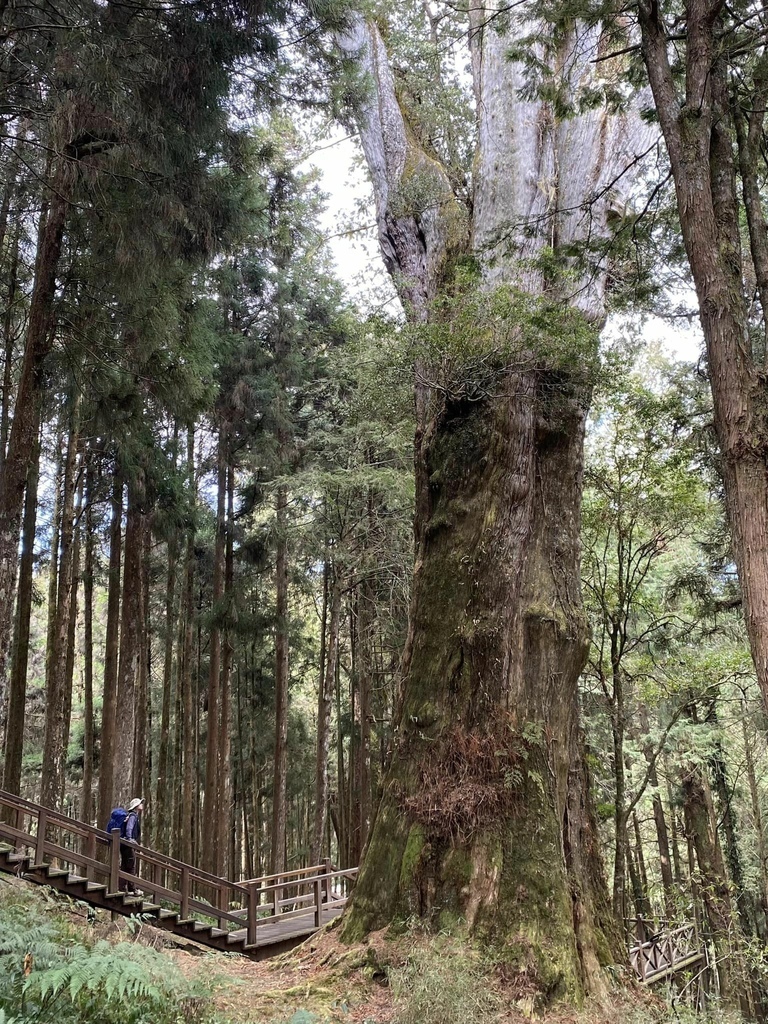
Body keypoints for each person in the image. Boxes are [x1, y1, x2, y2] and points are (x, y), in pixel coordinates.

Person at [120, 797, 144, 895]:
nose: (142, 805)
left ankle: (122, 888)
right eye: (140, 803)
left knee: (125, 866)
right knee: (131, 866)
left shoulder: (132, 815)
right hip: (127, 844)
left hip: (125, 844)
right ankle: (132, 889)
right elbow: (129, 829)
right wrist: (130, 840)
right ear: (136, 806)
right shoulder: (133, 816)